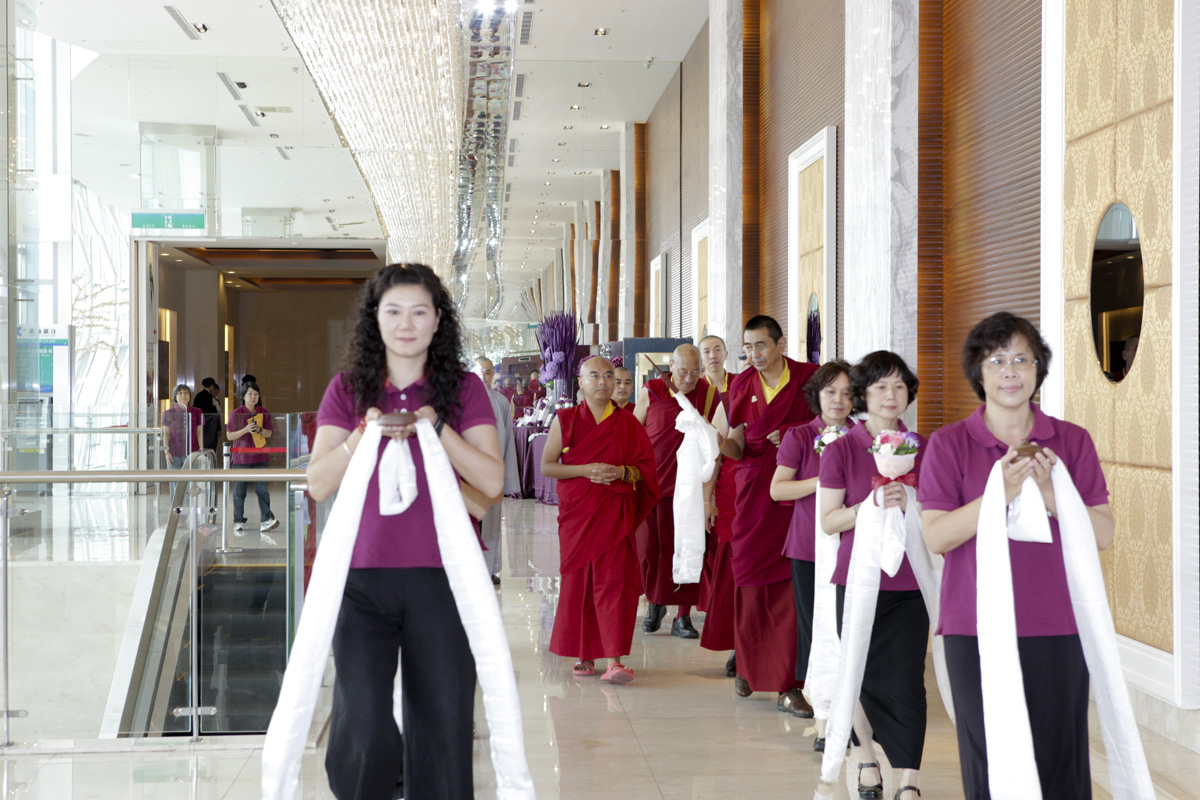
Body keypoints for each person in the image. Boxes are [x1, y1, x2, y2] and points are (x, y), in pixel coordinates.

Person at [305, 263, 503, 800]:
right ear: (376, 318)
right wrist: (360, 435)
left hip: (444, 580)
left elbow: (491, 482)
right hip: (361, 581)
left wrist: (436, 426)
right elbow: (318, 483)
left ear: (438, 320)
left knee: (443, 729)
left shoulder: (463, 389)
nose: (407, 323)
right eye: (394, 311)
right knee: (365, 726)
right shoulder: (349, 389)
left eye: (419, 311)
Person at [921, 313, 1114, 799]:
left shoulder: (1071, 440)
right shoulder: (948, 444)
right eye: (997, 360)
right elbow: (937, 537)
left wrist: (1051, 492)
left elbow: (1103, 533)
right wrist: (1001, 492)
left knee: (1060, 761)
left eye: (1022, 359)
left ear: (1037, 369)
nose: (1010, 371)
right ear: (978, 372)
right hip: (974, 626)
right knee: (989, 760)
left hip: (1058, 624)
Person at [819, 351, 927, 800]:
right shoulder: (841, 449)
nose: (890, 394)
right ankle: (865, 756)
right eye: (880, 386)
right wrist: (868, 508)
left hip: (910, 583)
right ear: (864, 393)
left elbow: (939, 516)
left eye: (899, 386)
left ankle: (909, 780)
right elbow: (829, 520)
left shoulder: (924, 447)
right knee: (857, 671)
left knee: (907, 681)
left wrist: (911, 503)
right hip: (857, 581)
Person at [720, 315, 818, 716]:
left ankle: (789, 684)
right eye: (748, 347)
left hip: (797, 492)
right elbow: (737, 444)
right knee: (749, 579)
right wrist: (713, 441)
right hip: (755, 491)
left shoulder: (810, 378)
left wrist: (795, 431)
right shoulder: (741, 385)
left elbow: (832, 424)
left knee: (791, 589)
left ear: (780, 344)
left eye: (761, 345)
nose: (754, 354)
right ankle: (748, 665)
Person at [542, 357, 661, 683]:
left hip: (615, 517)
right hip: (578, 518)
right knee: (580, 584)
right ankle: (584, 654)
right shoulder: (565, 420)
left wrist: (621, 472)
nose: (603, 382)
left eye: (609, 376)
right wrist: (585, 470)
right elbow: (548, 466)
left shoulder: (628, 424)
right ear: (580, 382)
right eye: (593, 375)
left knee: (615, 584)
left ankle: (614, 660)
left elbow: (646, 470)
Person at [770, 359, 853, 749]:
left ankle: (853, 709)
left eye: (847, 393)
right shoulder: (801, 436)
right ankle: (822, 711)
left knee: (850, 627)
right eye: (830, 391)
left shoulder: (864, 437)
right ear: (816, 395)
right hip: (809, 546)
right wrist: (824, 481)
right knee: (815, 628)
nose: (838, 400)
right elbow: (778, 489)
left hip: (852, 546)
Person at [632, 344, 723, 639]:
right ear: (671, 365)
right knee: (649, 549)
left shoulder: (709, 395)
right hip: (652, 485)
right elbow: (632, 432)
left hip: (690, 489)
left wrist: (709, 497)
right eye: (682, 372)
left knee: (687, 548)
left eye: (695, 372)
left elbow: (716, 446)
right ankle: (655, 603)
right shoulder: (653, 390)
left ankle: (683, 616)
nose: (688, 379)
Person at [698, 335, 739, 674]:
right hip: (728, 489)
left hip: (768, 490)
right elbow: (715, 450)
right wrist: (706, 497)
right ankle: (737, 640)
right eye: (706, 351)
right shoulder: (726, 394)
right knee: (728, 566)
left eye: (717, 350)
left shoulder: (740, 384)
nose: (712, 356)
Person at [473, 356, 521, 586]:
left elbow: (508, 440)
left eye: (488, 372)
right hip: (468, 472)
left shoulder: (501, 401)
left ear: (494, 374)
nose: (484, 376)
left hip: (492, 471)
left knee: (491, 523)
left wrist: (508, 479)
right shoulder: (460, 400)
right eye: (479, 371)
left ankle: (489, 569)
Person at [227, 382, 279, 534]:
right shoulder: (236, 413)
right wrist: (246, 429)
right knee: (239, 492)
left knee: (262, 490)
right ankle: (238, 520)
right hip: (241, 458)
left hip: (260, 457)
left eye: (256, 394)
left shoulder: (264, 412)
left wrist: (261, 430)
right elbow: (230, 435)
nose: (253, 397)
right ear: (243, 396)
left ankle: (266, 519)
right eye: (250, 394)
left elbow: (269, 433)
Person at [161, 383, 203, 498]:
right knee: (175, 486)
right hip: (174, 453)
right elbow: (166, 434)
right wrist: (166, 452)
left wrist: (201, 451)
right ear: (175, 396)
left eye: (186, 393)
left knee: (192, 486)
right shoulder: (168, 413)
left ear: (190, 396)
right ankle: (176, 508)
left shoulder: (197, 411)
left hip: (192, 453)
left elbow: (199, 432)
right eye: (180, 393)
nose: (183, 395)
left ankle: (191, 508)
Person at [192, 378, 222, 453]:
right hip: (209, 425)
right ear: (212, 386)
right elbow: (211, 411)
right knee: (210, 446)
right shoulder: (209, 396)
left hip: (199, 423)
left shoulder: (198, 395)